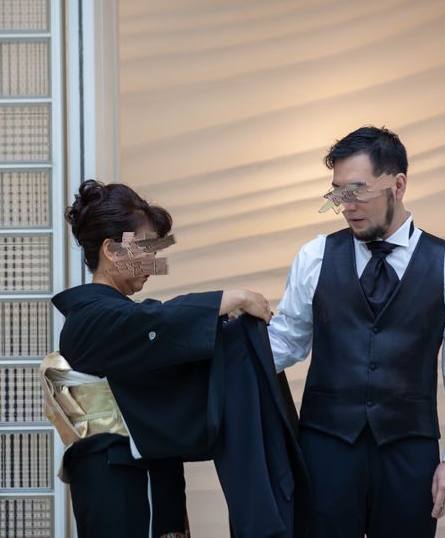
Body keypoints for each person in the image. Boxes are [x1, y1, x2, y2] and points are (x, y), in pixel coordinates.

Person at [45, 180, 308, 538]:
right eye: (146, 248)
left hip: (151, 468)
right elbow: (154, 323)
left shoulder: (118, 317)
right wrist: (229, 299)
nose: (154, 262)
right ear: (111, 250)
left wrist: (227, 330)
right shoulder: (89, 318)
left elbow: (163, 336)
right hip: (115, 475)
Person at [268, 125, 445, 538]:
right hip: (325, 447)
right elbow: (287, 341)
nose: (345, 206)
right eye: (337, 193)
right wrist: (220, 351)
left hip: (409, 450)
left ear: (398, 185)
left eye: (357, 191)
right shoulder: (315, 256)